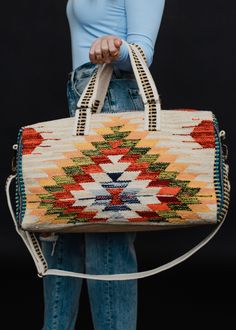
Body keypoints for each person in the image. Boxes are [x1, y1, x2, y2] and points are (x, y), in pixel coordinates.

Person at [40, 0, 165, 329]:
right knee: (59, 228)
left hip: (114, 100)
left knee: (106, 238)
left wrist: (116, 48)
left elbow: (142, 51)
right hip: (84, 97)